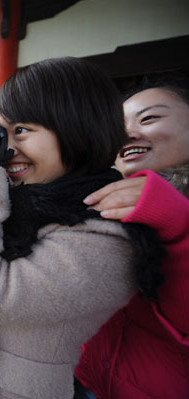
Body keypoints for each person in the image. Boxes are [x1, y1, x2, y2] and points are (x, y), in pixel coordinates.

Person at [0, 57, 163, 399]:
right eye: (0, 132)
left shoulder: (107, 236)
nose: (6, 149)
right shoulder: (24, 205)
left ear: (77, 128)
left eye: (21, 130)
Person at [74, 75, 189, 398]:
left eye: (149, 117)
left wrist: (179, 224)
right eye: (116, 126)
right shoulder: (94, 200)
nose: (126, 133)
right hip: (85, 381)